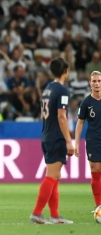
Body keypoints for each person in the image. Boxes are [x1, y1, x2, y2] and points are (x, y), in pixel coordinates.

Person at [30, 58, 74, 224]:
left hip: (46, 135)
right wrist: (69, 141)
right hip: (56, 137)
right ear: (65, 71)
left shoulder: (47, 89)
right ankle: (36, 213)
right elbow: (62, 116)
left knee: (55, 176)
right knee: (52, 176)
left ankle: (55, 215)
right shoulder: (62, 90)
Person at [75, 71, 101, 213]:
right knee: (95, 171)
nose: (97, 83)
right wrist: (76, 144)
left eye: (99, 81)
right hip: (93, 140)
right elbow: (80, 123)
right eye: (94, 81)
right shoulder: (86, 102)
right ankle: (98, 205)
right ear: (90, 83)